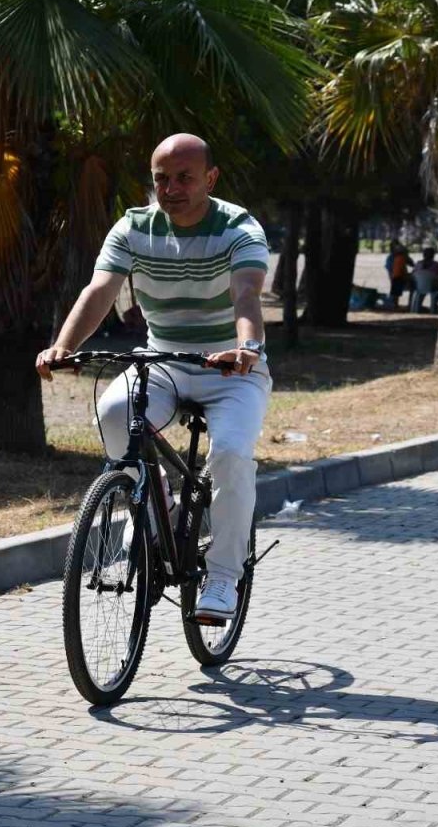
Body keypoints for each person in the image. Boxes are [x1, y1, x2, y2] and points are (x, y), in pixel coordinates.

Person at [36, 133, 271, 621]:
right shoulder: (133, 227)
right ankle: (152, 503)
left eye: (185, 178)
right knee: (114, 414)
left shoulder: (239, 227)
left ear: (210, 179)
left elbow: (247, 293)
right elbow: (100, 290)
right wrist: (64, 346)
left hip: (231, 368)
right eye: (162, 178)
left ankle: (223, 577)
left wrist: (247, 348)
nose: (171, 189)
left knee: (230, 455)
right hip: (162, 359)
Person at [410, 247, 438, 313]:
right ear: (433, 255)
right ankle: (434, 309)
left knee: (417, 292)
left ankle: (415, 309)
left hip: (419, 287)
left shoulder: (418, 264)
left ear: (423, 255)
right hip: (433, 288)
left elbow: (413, 275)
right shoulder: (436, 265)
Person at [384, 240, 411, 309]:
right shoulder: (391, 258)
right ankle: (394, 305)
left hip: (400, 276)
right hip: (396, 276)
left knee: (396, 292)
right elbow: (389, 269)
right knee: (395, 293)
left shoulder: (402, 257)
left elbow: (411, 263)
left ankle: (396, 305)